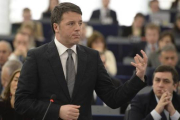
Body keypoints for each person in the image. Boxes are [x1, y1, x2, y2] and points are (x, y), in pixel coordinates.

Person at [15, 2, 147, 120]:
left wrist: (138, 77)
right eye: (71, 24)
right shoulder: (37, 56)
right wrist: (57, 111)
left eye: (80, 23)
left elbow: (112, 99)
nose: (78, 28)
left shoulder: (92, 57)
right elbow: (21, 102)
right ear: (56, 27)